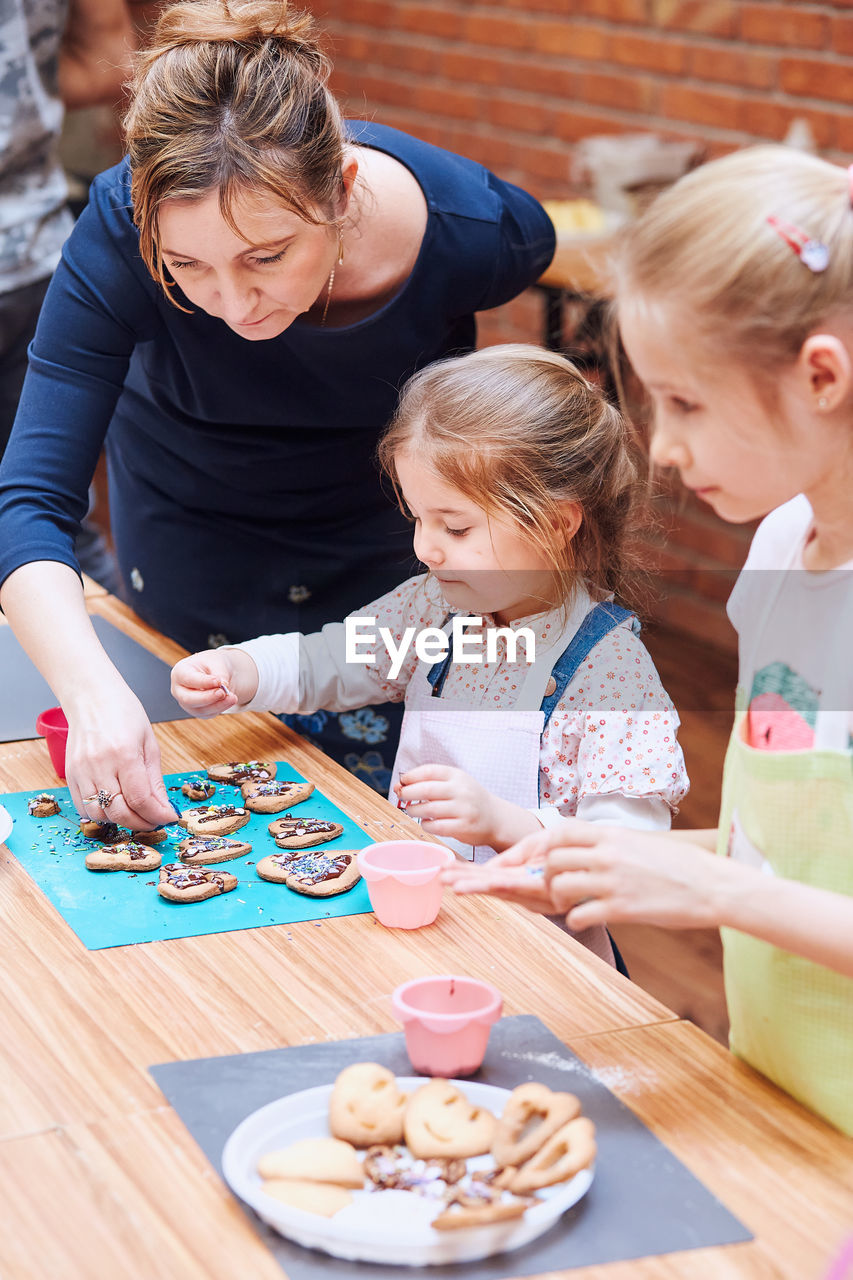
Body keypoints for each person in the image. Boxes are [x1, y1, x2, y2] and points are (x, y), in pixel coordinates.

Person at [0, 0, 556, 830]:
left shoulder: (470, 231)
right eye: (186, 266)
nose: (232, 304)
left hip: (387, 569)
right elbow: (29, 503)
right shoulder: (117, 235)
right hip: (192, 541)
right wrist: (90, 692)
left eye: (267, 257)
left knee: (393, 825)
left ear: (340, 191)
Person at [443, 148, 853, 1134]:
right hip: (789, 1091)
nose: (659, 445)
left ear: (821, 375)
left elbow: (747, 883)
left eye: (686, 401)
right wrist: (598, 853)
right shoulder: (777, 546)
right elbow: (797, 852)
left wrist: (703, 882)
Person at [171, 344, 690, 966]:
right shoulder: (433, 610)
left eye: (457, 527)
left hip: (543, 960)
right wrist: (242, 671)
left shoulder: (610, 674)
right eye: (418, 519)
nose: (426, 549)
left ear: (558, 523)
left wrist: (502, 823)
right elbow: (330, 662)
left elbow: (626, 856)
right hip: (418, 921)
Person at [0, 0, 133, 588]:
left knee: (45, 511)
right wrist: (23, 92)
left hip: (38, 258)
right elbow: (111, 60)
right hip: (37, 250)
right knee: (56, 516)